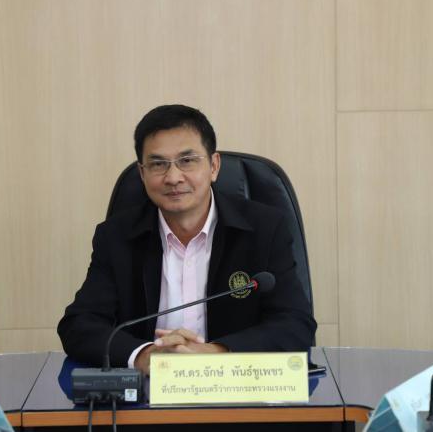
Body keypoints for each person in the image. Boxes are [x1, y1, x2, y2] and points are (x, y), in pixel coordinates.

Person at [58, 104, 316, 374]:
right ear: (142, 174)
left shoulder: (265, 228)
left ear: (214, 166)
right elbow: (79, 325)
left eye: (187, 161)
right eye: (158, 164)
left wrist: (215, 353)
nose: (173, 178)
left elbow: (295, 324)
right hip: (149, 391)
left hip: (239, 386)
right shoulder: (116, 236)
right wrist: (145, 355)